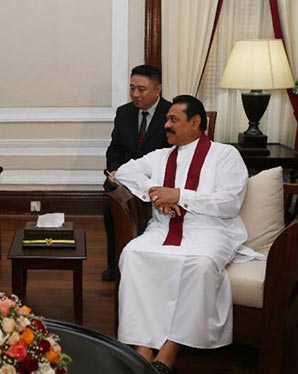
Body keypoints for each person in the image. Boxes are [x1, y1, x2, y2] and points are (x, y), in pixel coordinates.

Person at [114, 95, 248, 373]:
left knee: (200, 264)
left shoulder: (225, 155)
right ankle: (143, 349)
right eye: (167, 119)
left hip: (211, 230)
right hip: (163, 228)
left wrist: (181, 196)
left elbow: (230, 202)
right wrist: (156, 192)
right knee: (133, 255)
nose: (166, 125)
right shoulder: (160, 156)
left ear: (196, 122)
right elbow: (125, 172)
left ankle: (170, 350)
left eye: (173, 119)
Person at [102, 65, 171, 281]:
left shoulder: (171, 113)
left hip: (156, 182)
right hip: (123, 181)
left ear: (157, 89)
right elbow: (115, 148)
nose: (135, 94)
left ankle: (150, 266)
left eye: (141, 89)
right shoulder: (124, 113)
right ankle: (115, 264)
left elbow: (174, 155)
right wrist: (115, 170)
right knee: (111, 205)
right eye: (132, 88)